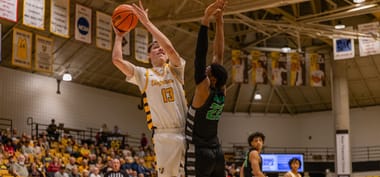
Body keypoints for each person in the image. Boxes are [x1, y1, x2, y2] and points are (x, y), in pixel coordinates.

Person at [112, 1, 188, 176]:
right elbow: (117, 60)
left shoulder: (176, 69)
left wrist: (146, 23)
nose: (160, 48)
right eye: (155, 47)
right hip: (162, 136)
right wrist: (118, 36)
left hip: (184, 133)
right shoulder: (143, 75)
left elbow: (169, 47)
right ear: (148, 56)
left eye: (160, 47)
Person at [184, 0, 227, 177]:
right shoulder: (222, 89)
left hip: (200, 150)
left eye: (208, 70)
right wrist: (220, 22)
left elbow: (200, 55)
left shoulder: (204, 89)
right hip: (217, 151)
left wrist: (205, 19)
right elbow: (219, 54)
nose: (206, 68)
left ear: (212, 78)